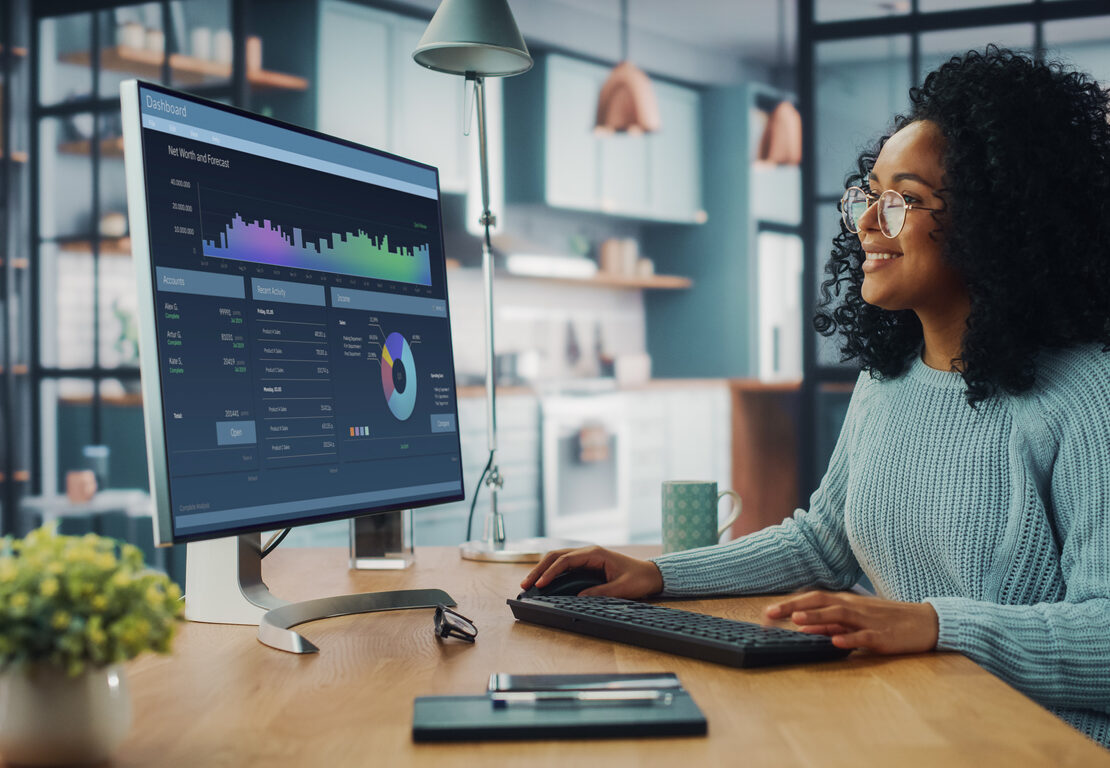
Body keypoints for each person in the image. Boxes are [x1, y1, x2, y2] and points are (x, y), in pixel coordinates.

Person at [521, 47, 1110, 747]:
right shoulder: (889, 376)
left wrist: (933, 623)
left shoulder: (1086, 395)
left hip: (1039, 743)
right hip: (916, 722)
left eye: (904, 200)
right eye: (869, 194)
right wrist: (654, 574)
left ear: (1000, 217)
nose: (866, 223)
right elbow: (822, 542)